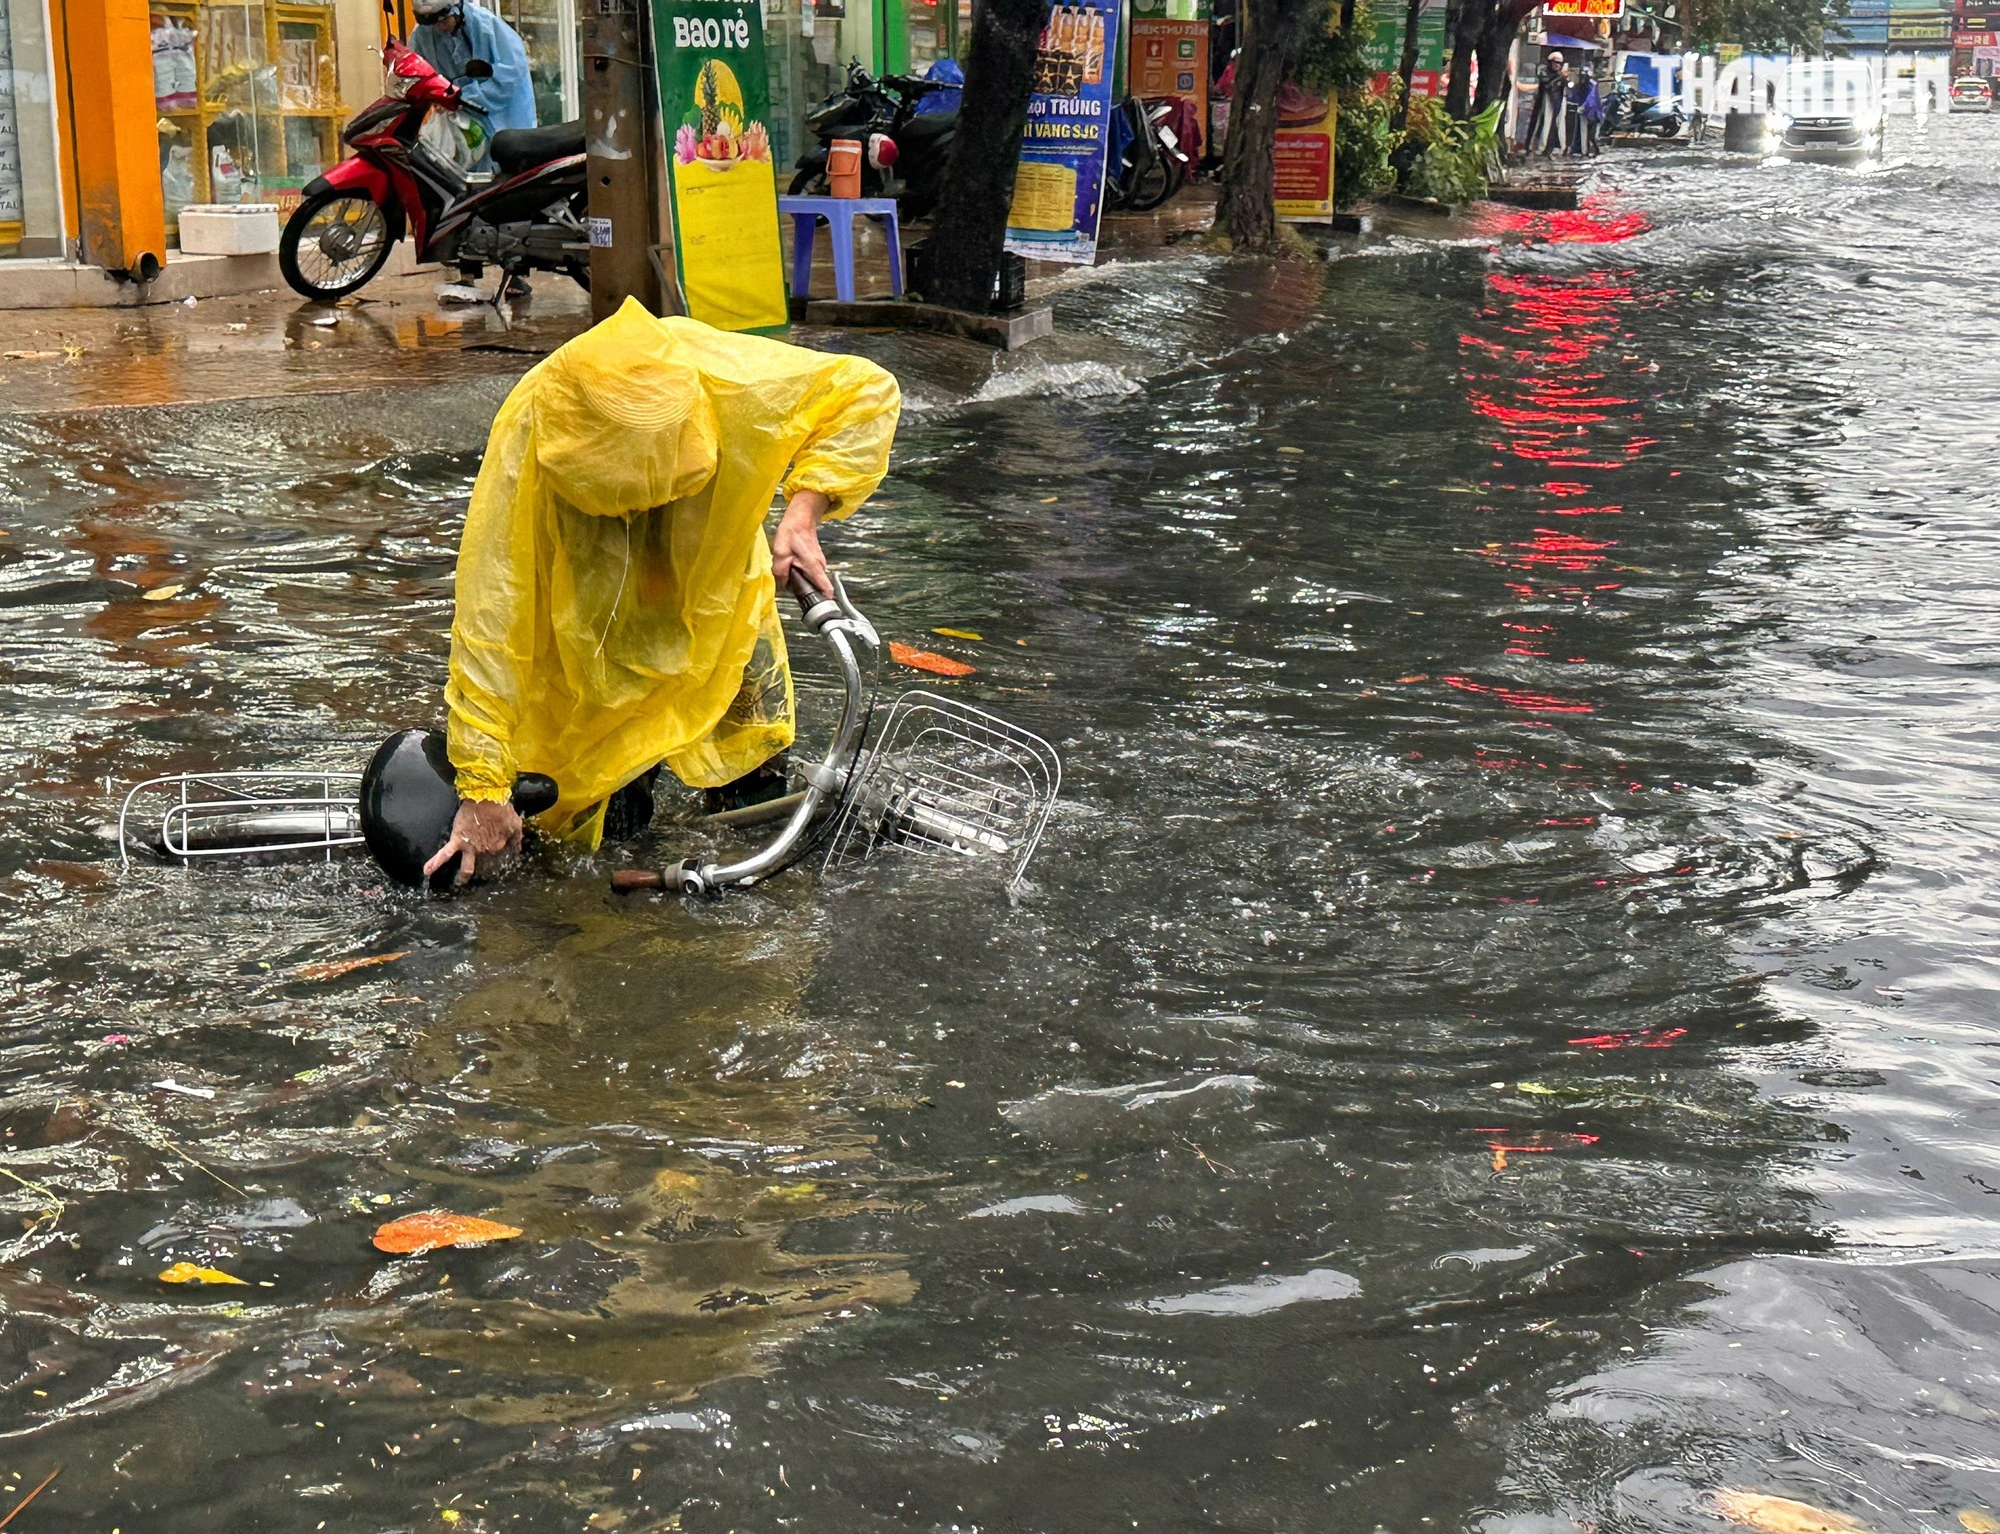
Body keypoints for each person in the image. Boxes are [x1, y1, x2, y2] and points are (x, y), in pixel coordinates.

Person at [423, 298, 901, 885]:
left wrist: (804, 511)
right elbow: (490, 619)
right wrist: (482, 784)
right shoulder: (531, 428)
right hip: (602, 640)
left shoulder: (716, 375)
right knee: (596, 841)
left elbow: (866, 391)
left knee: (757, 816)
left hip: (718, 607)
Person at [409, 0, 538, 137]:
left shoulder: (486, 27)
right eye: (434, 23)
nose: (440, 27)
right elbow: (416, 71)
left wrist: (464, 97)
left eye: (445, 21)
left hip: (505, 122)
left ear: (457, 9)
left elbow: (510, 75)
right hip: (461, 125)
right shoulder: (423, 34)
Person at [1528, 52, 1567, 156]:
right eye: (1555, 62)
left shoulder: (1561, 75)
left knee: (1556, 125)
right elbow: (1547, 85)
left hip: (1557, 103)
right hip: (1544, 102)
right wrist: (1559, 78)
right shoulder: (1544, 72)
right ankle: (1537, 146)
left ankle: (1554, 147)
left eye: (1559, 63)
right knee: (1542, 123)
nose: (1557, 65)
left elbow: (1565, 88)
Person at [1569, 66, 1601, 157]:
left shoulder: (1591, 85)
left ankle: (1585, 151)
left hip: (1590, 112)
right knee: (1585, 133)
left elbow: (1592, 98)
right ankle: (1585, 150)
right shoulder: (1580, 85)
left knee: (1588, 133)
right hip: (1586, 111)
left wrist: (1584, 107)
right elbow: (1575, 95)